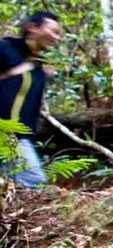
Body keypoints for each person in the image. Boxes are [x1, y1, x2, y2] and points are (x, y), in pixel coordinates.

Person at [0, 11, 62, 188]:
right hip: (5, 133)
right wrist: (11, 73)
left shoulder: (37, 67)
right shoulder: (5, 49)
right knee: (35, 184)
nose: (57, 38)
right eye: (53, 31)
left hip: (19, 136)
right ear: (32, 27)